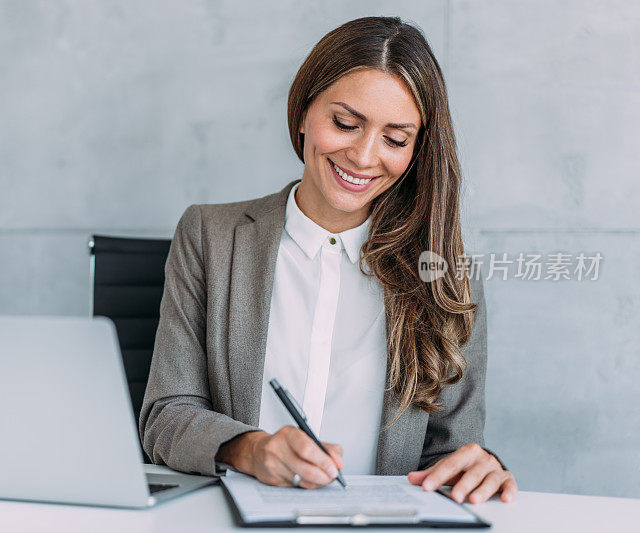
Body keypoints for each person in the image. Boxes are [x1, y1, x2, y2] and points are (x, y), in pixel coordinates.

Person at [139, 16, 518, 505]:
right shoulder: (211, 236)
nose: (363, 155)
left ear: (417, 149)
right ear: (303, 112)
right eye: (345, 123)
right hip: (233, 517)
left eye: (395, 139)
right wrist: (250, 450)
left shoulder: (444, 272)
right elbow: (166, 416)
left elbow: (451, 453)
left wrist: (476, 467)